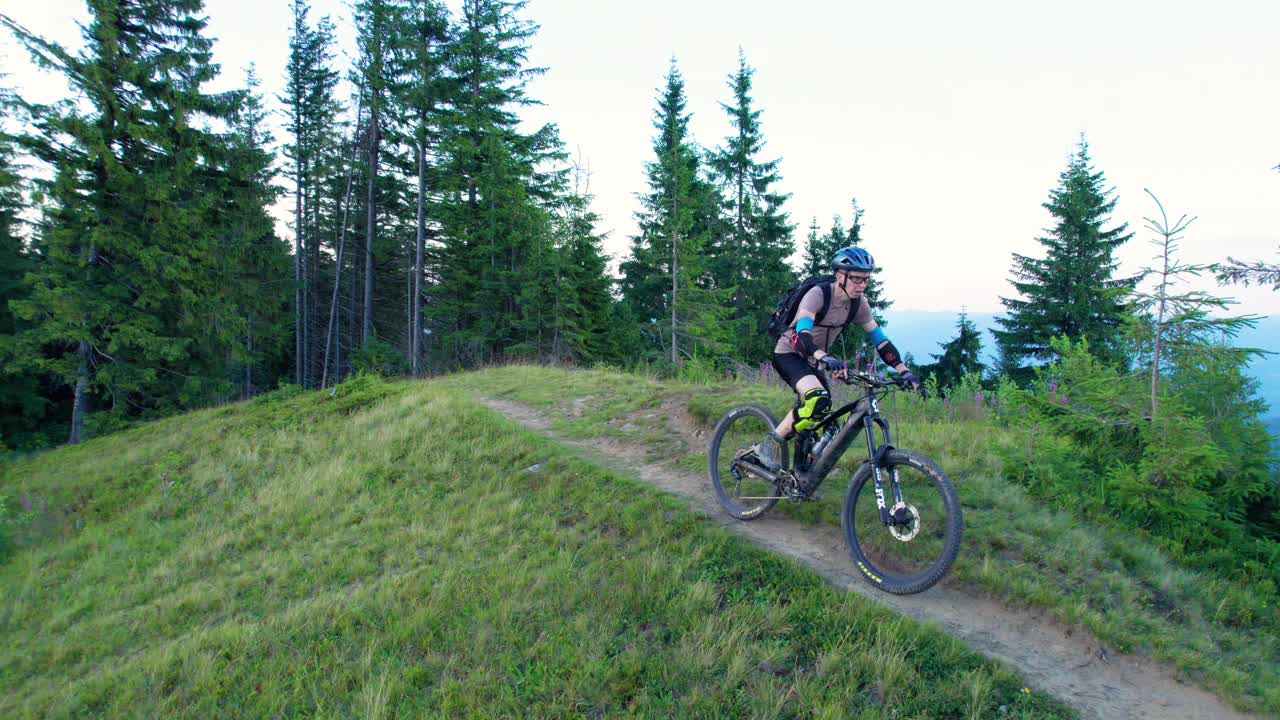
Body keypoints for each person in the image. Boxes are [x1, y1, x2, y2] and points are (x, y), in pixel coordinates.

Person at [754, 246, 919, 471]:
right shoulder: (818, 295)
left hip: (816, 360)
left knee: (825, 420)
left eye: (866, 280)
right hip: (789, 354)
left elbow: (880, 340)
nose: (861, 285)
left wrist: (903, 370)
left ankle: (803, 475)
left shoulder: (859, 304)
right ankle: (769, 444)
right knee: (818, 401)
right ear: (840, 276)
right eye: (856, 279)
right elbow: (802, 336)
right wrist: (826, 358)